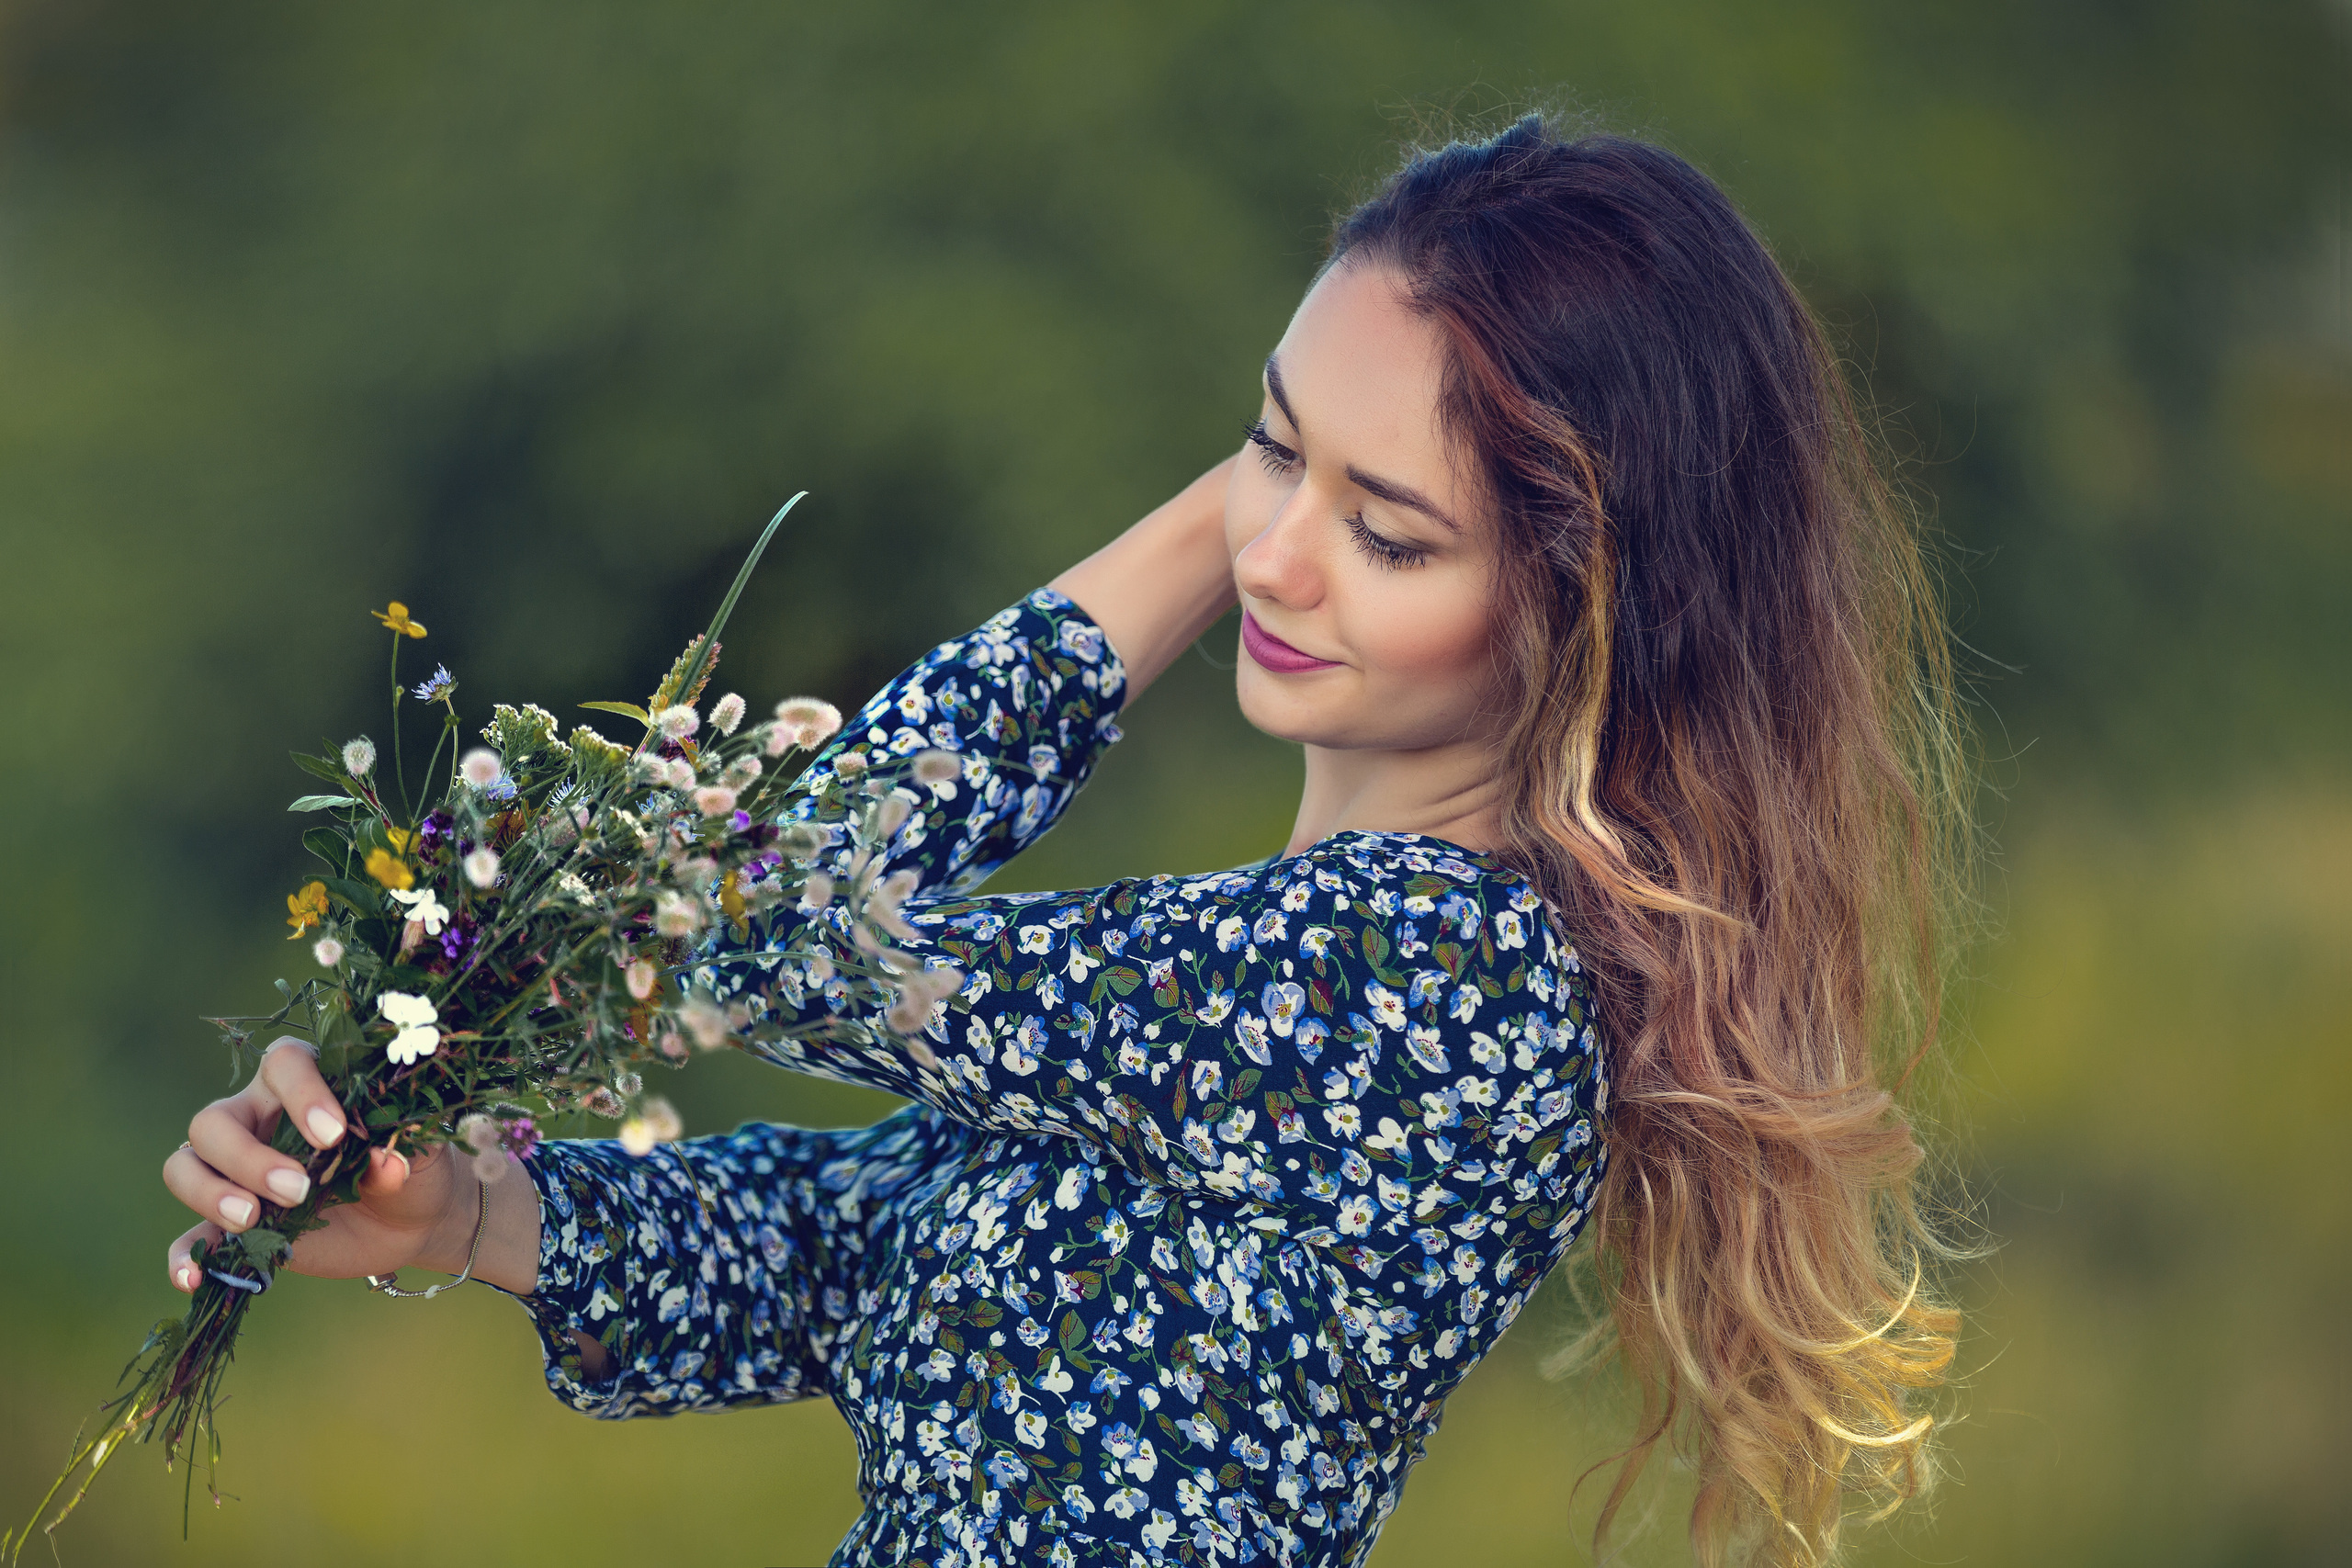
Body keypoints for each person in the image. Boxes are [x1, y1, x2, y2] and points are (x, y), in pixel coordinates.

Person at [160, 116, 1966, 1567]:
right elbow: (857, 1253)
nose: (1277, 557)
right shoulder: (1291, 944)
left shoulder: (1419, 985)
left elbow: (772, 909)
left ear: (1584, 602)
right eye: (1266, 451)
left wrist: (1217, 510)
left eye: (1391, 534)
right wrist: (464, 1206)